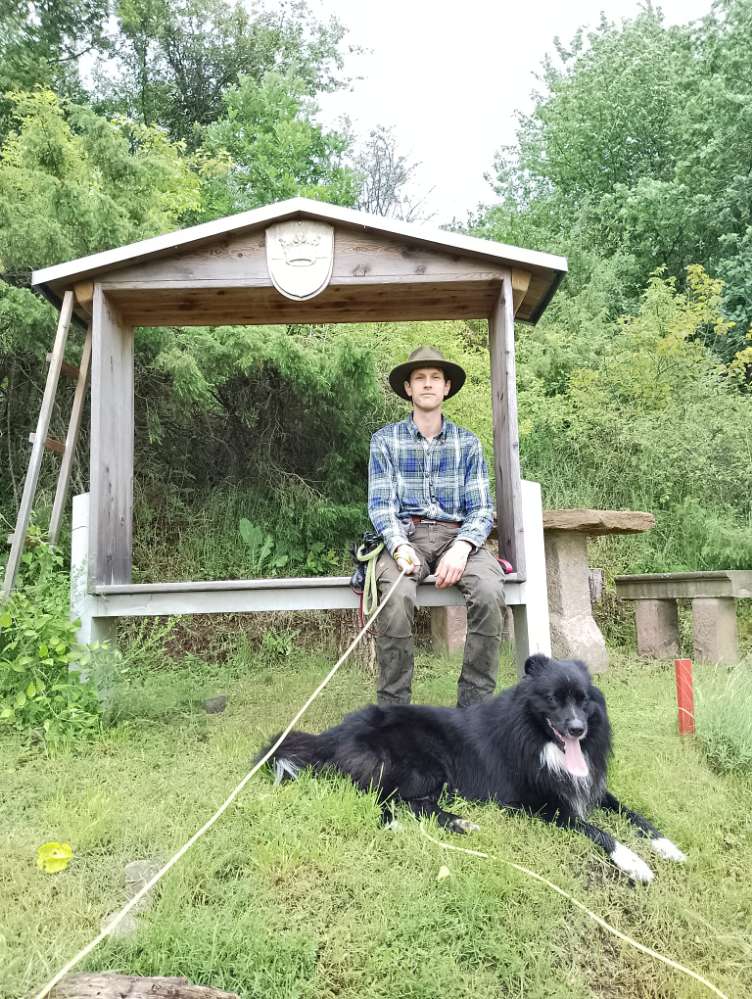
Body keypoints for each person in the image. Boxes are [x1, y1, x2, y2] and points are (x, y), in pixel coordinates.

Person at [368, 345, 506, 707]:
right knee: (396, 599)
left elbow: (481, 510)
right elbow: (381, 505)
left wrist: (462, 548)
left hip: (457, 537)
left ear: (446, 387)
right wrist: (398, 547)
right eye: (419, 378)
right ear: (408, 389)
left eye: (435, 378)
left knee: (490, 593)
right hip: (406, 535)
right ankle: (394, 713)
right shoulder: (384, 441)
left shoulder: (468, 443)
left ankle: (474, 711)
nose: (427, 384)